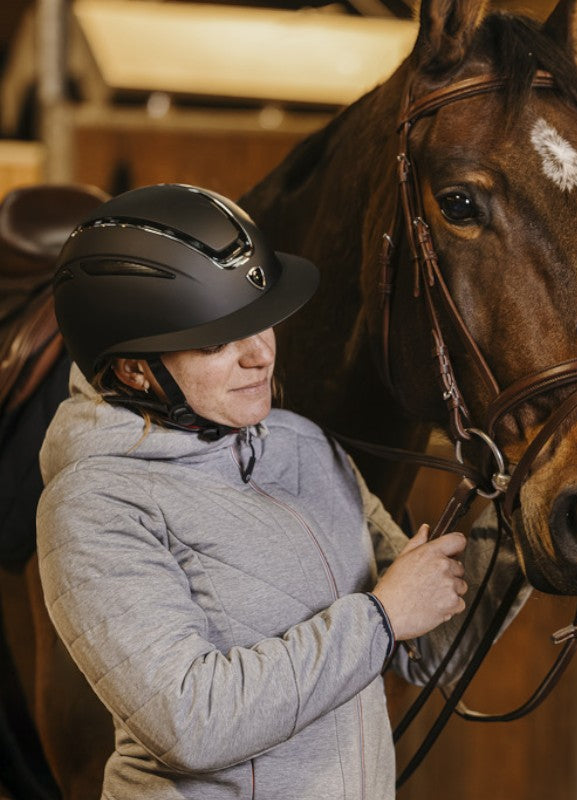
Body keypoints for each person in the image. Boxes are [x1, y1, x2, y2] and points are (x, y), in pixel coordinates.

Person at [36, 183, 528, 799]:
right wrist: (378, 618)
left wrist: (520, 530)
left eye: (261, 322)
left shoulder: (303, 445)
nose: (260, 355)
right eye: (218, 340)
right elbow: (190, 720)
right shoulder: (95, 504)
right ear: (136, 370)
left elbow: (429, 649)